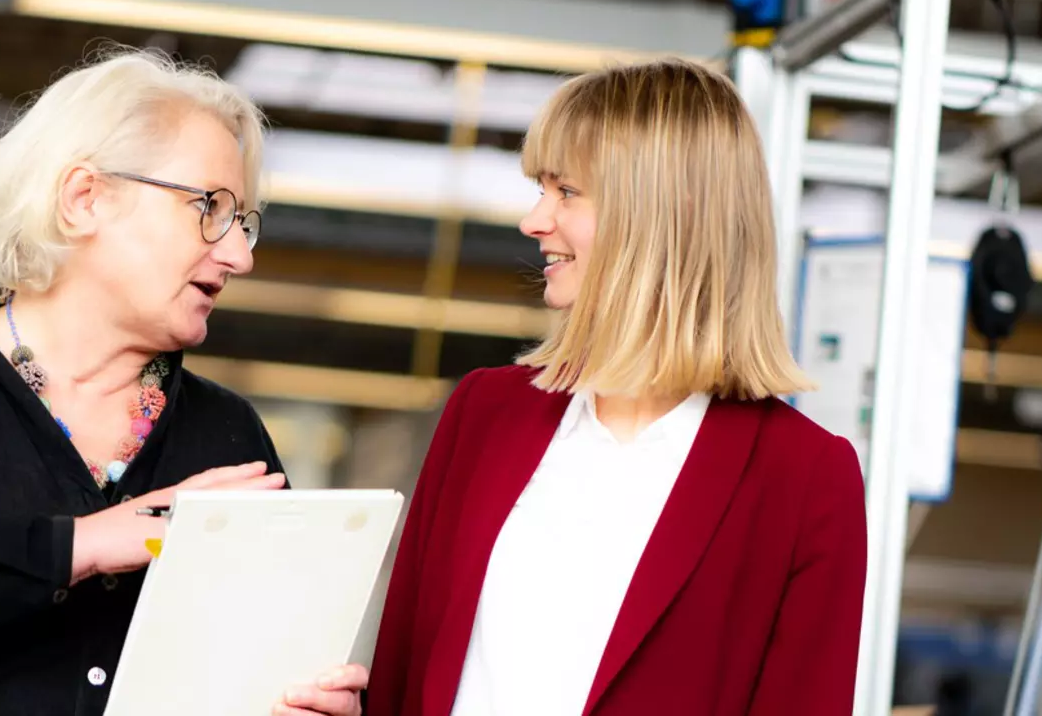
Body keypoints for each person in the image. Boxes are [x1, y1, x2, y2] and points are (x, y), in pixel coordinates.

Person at [0, 49, 365, 716]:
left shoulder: (227, 436)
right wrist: (87, 544)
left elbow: (260, 662)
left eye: (243, 222)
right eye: (209, 209)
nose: (239, 255)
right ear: (84, 199)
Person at [368, 58, 869, 716]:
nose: (535, 220)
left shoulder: (804, 480)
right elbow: (400, 679)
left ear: (666, 210)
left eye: (566, 191)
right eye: (539, 189)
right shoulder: (485, 414)